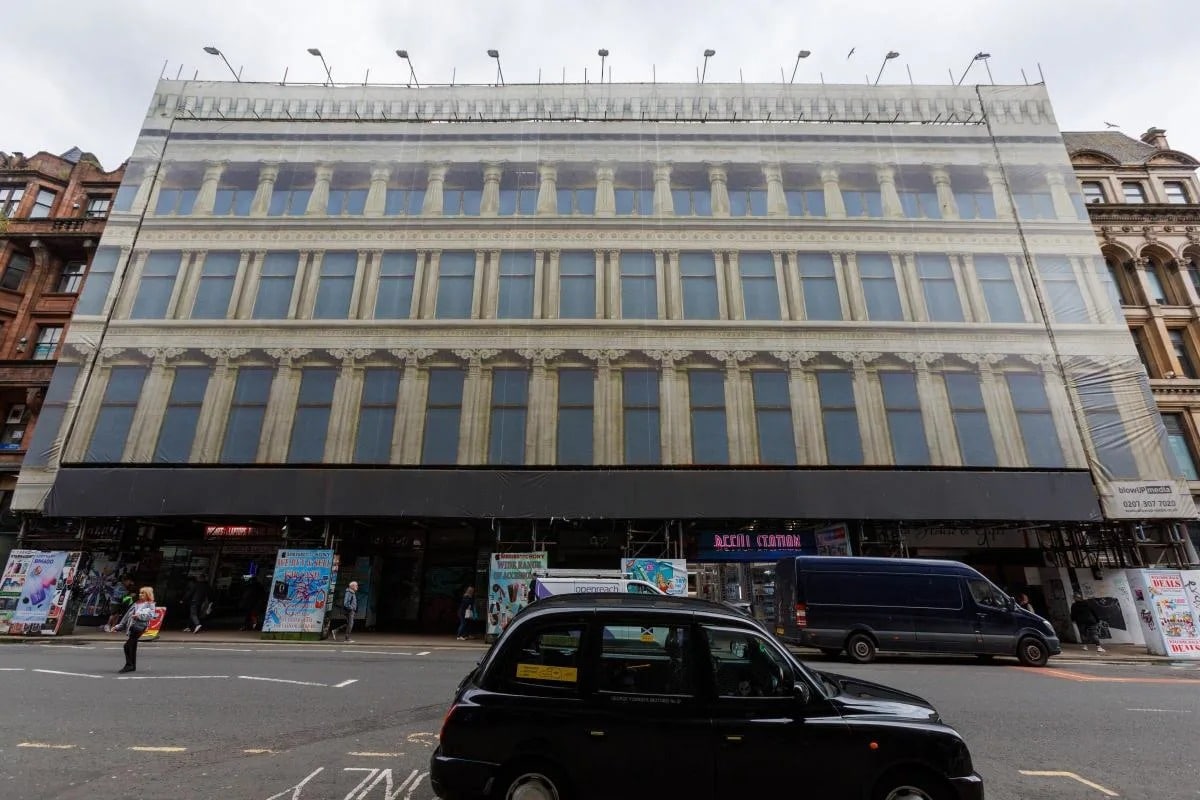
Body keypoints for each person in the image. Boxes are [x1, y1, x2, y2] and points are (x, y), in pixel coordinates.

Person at [115, 587, 157, 673]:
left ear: (148, 595)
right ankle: (132, 666)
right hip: (132, 627)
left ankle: (129, 665)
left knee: (127, 646)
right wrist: (118, 626)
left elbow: (151, 616)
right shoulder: (136, 604)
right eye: (140, 593)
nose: (140, 594)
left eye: (143, 593)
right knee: (133, 646)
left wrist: (139, 616)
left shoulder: (150, 604)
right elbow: (127, 616)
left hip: (140, 627)